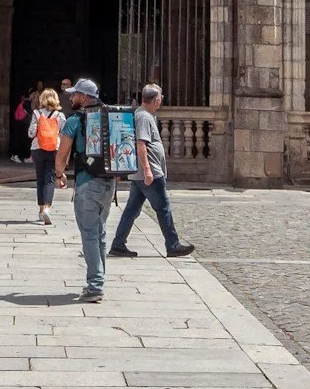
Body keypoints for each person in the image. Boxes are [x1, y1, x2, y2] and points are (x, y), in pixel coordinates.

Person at [109, 82, 196, 259]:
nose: (161, 100)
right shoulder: (144, 117)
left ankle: (118, 244)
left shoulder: (144, 115)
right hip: (150, 173)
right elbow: (141, 144)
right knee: (163, 208)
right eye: (161, 97)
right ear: (156, 99)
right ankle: (173, 245)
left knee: (132, 210)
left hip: (143, 174)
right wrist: (148, 170)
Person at [53, 78, 115, 302]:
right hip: (109, 183)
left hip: (87, 182)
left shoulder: (74, 120)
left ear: (85, 97)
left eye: (75, 94)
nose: (71, 98)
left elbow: (63, 153)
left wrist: (59, 174)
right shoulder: (108, 117)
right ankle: (98, 280)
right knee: (101, 232)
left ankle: (95, 285)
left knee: (89, 233)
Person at [29, 87, 65, 226]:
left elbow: (31, 133)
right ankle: (47, 208)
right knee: (50, 179)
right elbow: (63, 134)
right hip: (53, 149)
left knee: (40, 179)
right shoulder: (60, 116)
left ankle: (40, 209)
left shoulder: (37, 114)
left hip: (38, 148)